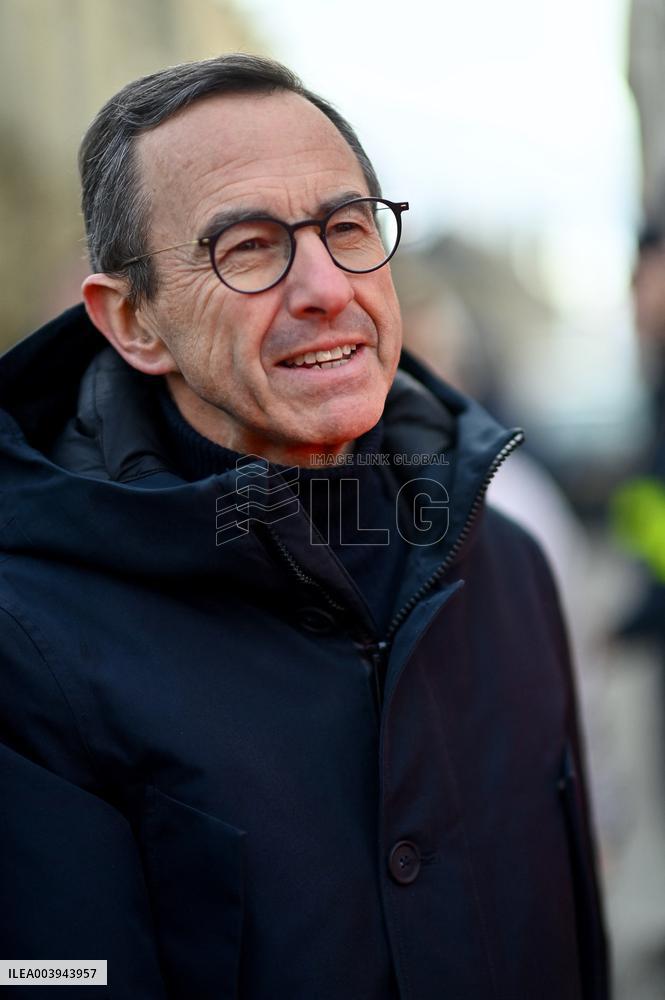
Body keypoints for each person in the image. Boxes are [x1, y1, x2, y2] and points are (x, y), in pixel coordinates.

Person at [0, 54, 608, 999]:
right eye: (246, 246)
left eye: (346, 227)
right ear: (132, 323)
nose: (326, 286)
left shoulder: (505, 564)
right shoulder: (27, 645)